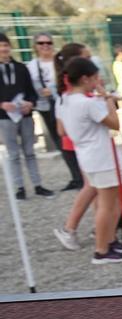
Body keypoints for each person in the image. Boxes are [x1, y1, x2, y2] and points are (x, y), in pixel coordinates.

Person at [57, 56, 122, 264]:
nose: (98, 80)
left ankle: (108, 241)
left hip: (89, 155)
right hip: (101, 157)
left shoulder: (66, 100)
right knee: (107, 204)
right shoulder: (86, 103)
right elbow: (115, 124)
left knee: (116, 199)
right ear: (86, 78)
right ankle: (101, 250)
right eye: (96, 77)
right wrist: (108, 99)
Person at [0, 34, 53, 199]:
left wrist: (30, 102)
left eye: (6, 45)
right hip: (5, 116)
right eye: (1, 46)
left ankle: (37, 184)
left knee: (30, 151)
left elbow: (31, 91)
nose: (4, 49)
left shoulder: (21, 68)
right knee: (13, 153)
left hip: (25, 114)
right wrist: (1, 104)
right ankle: (19, 187)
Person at [52, 43, 90, 191]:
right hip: (82, 142)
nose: (90, 61)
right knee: (91, 187)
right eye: (87, 58)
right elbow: (62, 129)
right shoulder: (75, 92)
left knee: (91, 187)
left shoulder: (66, 89)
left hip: (77, 142)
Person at [26, 33, 62, 156]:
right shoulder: (31, 65)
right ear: (35, 46)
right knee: (58, 140)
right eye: (41, 43)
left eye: (48, 43)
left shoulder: (60, 61)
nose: (45, 45)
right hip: (45, 106)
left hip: (63, 103)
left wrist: (54, 90)